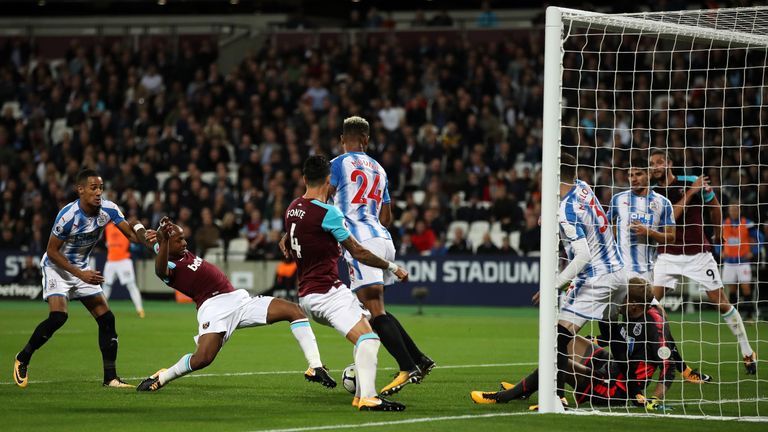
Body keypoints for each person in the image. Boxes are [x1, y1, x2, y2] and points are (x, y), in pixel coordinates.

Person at [136, 217, 336, 392]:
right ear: (167, 245)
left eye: (183, 237)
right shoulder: (167, 264)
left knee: (295, 311)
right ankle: (162, 378)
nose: (185, 242)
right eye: (179, 239)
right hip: (213, 308)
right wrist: (161, 242)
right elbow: (160, 272)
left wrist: (136, 226)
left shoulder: (171, 250)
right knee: (203, 359)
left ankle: (315, 366)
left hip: (238, 300)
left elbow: (137, 230)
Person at [282, 155, 409, 411]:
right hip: (328, 293)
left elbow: (290, 238)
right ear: (329, 180)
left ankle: (360, 393)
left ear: (304, 179)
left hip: (307, 296)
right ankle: (368, 397)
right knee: (370, 340)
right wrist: (393, 267)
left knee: (368, 325)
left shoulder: (292, 208)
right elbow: (358, 251)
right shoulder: (328, 213)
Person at [12, 168, 149, 388]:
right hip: (57, 268)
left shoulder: (109, 209)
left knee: (107, 319)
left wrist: (144, 232)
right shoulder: (68, 216)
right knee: (58, 317)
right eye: (93, 188)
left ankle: (110, 378)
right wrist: (81, 274)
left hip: (82, 269)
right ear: (81, 190)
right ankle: (23, 357)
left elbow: (133, 237)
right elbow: (53, 251)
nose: (98, 192)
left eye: (101, 188)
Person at [329, 116, 434, 397]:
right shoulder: (379, 168)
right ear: (367, 140)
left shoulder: (337, 164)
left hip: (361, 241)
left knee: (372, 312)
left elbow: (321, 198)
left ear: (342, 139)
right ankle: (419, 358)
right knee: (377, 308)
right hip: (383, 238)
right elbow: (386, 217)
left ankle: (407, 365)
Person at [472, 278, 677, 412]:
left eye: (622, 298)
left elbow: (669, 366)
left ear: (633, 304)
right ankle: (527, 389)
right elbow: (618, 341)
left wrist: (654, 399)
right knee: (564, 341)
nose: (618, 300)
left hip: (617, 388)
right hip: (613, 367)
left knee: (560, 363)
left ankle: (505, 396)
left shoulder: (653, 323)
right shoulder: (631, 313)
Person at [649, 150, 756, 374]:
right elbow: (669, 218)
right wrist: (691, 192)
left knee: (720, 300)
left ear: (669, 163)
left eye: (659, 162)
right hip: (668, 254)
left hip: (698, 253)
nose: (655, 167)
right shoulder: (651, 194)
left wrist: (717, 234)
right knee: (649, 302)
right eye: (651, 164)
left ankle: (747, 352)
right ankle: (648, 354)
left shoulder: (690, 180)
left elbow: (715, 206)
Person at [608, 159, 711, 384]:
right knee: (610, 318)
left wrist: (649, 232)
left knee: (657, 320)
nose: (633, 178)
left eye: (637, 173)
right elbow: (605, 228)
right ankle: (618, 365)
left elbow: (671, 237)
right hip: (620, 272)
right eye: (630, 174)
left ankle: (680, 370)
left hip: (645, 275)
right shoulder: (619, 200)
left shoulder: (661, 203)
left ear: (647, 176)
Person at [538, 152, 626, 404]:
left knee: (558, 336)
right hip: (619, 271)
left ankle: (557, 398)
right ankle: (630, 386)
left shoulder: (566, 210)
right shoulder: (584, 187)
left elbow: (583, 255)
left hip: (597, 277)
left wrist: (552, 284)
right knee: (611, 330)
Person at [722, 203, 758, 321]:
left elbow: (759, 238)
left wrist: (753, 251)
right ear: (728, 211)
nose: (733, 212)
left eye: (735, 210)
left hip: (743, 261)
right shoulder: (724, 223)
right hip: (729, 262)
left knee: (746, 287)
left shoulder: (748, 224)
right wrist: (719, 251)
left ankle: (749, 315)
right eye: (731, 210)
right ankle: (734, 317)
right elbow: (716, 239)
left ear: (739, 210)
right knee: (732, 289)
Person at [102, 222, 145, 318]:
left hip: (124, 261)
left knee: (131, 285)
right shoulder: (108, 227)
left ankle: (140, 309)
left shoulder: (126, 226)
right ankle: (101, 310)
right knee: (106, 286)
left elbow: (134, 239)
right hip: (111, 261)